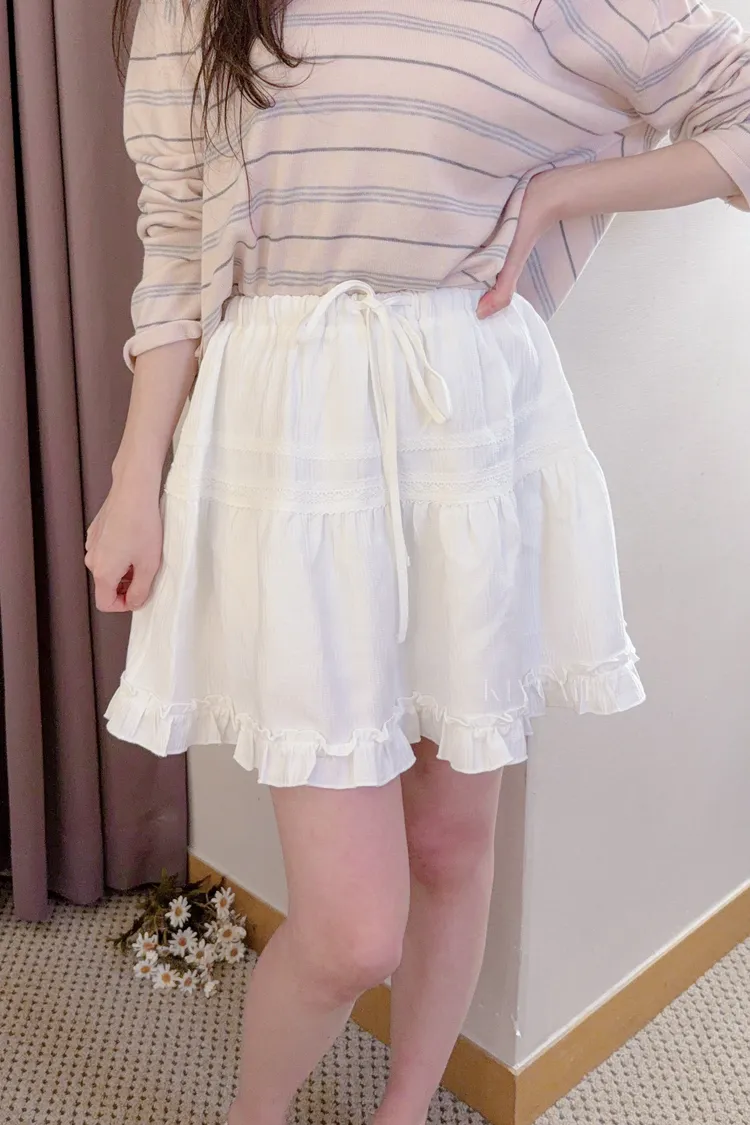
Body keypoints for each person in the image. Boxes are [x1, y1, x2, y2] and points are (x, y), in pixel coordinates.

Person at [86, 2, 749, 1123]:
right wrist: (133, 476)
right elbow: (177, 231)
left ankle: (405, 1110)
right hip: (289, 436)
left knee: (450, 842)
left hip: (465, 423)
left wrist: (561, 194)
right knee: (352, 931)